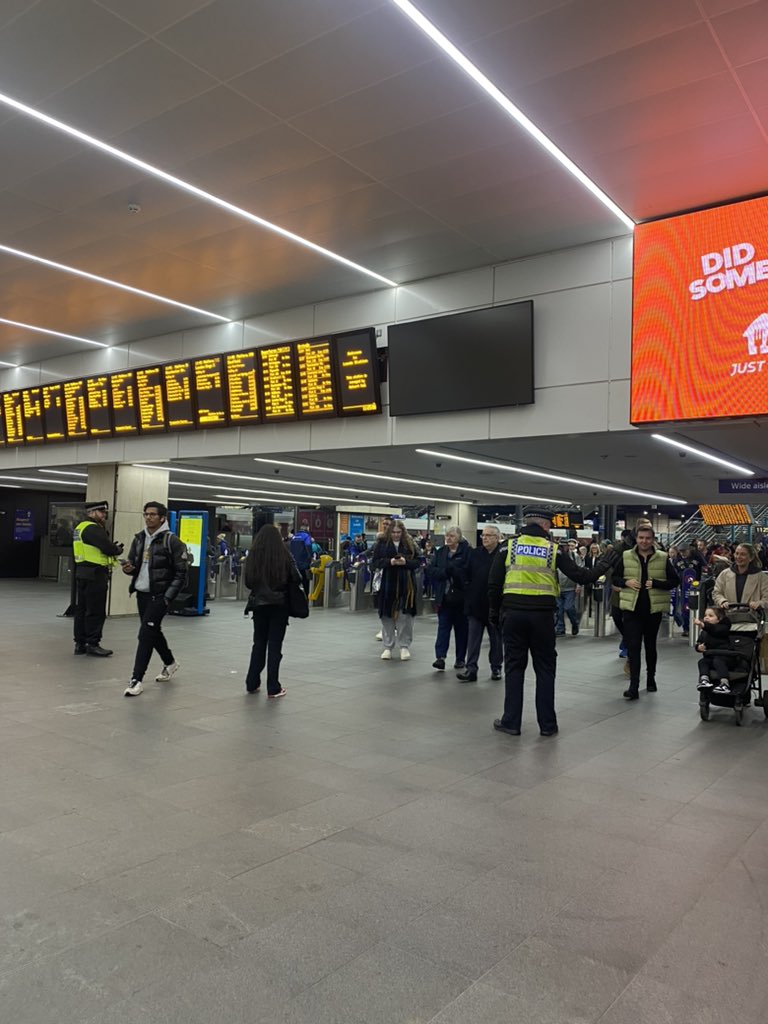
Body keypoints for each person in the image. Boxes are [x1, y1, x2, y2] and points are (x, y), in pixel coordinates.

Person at [488, 506, 615, 737]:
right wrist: (604, 564)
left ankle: (511, 722)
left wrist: (495, 614)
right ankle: (547, 725)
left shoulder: (508, 546)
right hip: (543, 617)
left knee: (514, 668)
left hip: (514, 616)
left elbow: (494, 584)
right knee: (545, 669)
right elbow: (582, 576)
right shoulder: (554, 550)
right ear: (545, 525)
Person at [121, 502, 189, 697]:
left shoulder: (173, 542)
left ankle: (136, 679)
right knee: (152, 631)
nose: (148, 517)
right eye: (146, 514)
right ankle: (170, 662)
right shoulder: (139, 538)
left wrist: (167, 598)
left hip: (159, 596)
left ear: (162, 518)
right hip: (142, 593)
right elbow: (135, 564)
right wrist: (129, 569)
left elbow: (181, 574)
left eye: (152, 514)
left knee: (145, 634)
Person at [613, 525, 679, 700]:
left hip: (652, 610)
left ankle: (651, 678)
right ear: (636, 538)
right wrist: (626, 582)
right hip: (631, 610)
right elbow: (615, 577)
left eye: (648, 538)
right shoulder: (626, 556)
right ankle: (633, 685)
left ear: (653, 539)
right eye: (641, 538)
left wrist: (657, 583)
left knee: (650, 646)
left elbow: (675, 580)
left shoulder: (663, 558)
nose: (644, 541)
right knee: (633, 647)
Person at [244, 524, 301, 697]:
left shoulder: (252, 555)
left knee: (259, 644)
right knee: (275, 647)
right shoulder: (284, 554)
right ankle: (273, 687)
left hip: (259, 605)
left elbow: (248, 582)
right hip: (279, 605)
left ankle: (252, 683)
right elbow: (297, 577)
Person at [72, 500, 124, 657]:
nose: (104, 515)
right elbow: (108, 548)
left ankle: (80, 643)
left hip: (82, 572)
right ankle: (93, 643)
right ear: (92, 513)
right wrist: (118, 549)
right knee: (95, 610)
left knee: (82, 609)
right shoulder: (93, 528)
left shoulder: (80, 527)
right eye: (101, 512)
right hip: (95, 573)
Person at [457, 525, 503, 682]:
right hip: (475, 603)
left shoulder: (503, 555)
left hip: (495, 604)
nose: (485, 538)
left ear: (497, 538)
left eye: (489, 535)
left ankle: (496, 667)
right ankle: (471, 669)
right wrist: (468, 589)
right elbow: (464, 572)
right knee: (473, 639)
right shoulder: (474, 554)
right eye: (483, 535)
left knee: (496, 639)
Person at [370, 519, 418, 660]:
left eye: (398, 532)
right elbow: (375, 563)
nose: (396, 535)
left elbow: (419, 561)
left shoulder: (410, 544)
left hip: (406, 586)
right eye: (393, 532)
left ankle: (404, 646)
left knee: (405, 617)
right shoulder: (381, 545)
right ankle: (388, 646)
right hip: (387, 584)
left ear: (402, 532)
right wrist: (389, 562)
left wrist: (406, 562)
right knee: (387, 617)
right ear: (389, 532)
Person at [428, 526, 470, 671]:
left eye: (451, 536)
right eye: (447, 535)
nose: (448, 538)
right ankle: (440, 657)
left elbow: (468, 573)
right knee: (443, 628)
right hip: (444, 597)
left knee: (462, 630)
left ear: (458, 537)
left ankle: (460, 659)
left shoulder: (467, 553)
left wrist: (456, 572)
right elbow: (431, 570)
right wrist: (445, 572)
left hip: (461, 599)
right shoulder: (440, 553)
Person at [713, 543, 768, 624]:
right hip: (728, 618)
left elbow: (766, 598)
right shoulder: (724, 574)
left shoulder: (762, 577)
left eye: (743, 554)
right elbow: (717, 593)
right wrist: (722, 601)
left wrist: (759, 603)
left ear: (751, 558)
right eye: (737, 553)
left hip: (752, 620)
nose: (738, 557)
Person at [694, 606, 732, 694]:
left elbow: (714, 630)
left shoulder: (723, 628)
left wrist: (703, 625)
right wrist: (699, 647)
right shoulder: (704, 632)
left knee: (718, 661)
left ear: (719, 619)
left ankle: (725, 683)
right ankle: (704, 680)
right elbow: (699, 642)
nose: (706, 617)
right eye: (705, 615)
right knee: (702, 662)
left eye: (711, 616)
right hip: (711, 656)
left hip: (725, 656)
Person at [555, 541, 581, 636]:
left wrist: (578, 585)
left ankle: (575, 623)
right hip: (558, 587)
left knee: (569, 607)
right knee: (559, 610)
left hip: (570, 587)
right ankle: (560, 628)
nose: (566, 547)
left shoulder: (575, 557)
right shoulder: (555, 555)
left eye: (568, 546)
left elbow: (579, 570)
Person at [288, 528, 313, 595]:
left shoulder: (294, 537)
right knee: (306, 583)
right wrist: (310, 559)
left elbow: (290, 550)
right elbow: (308, 548)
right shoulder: (306, 536)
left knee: (296, 584)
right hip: (304, 565)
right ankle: (307, 598)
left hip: (295, 565)